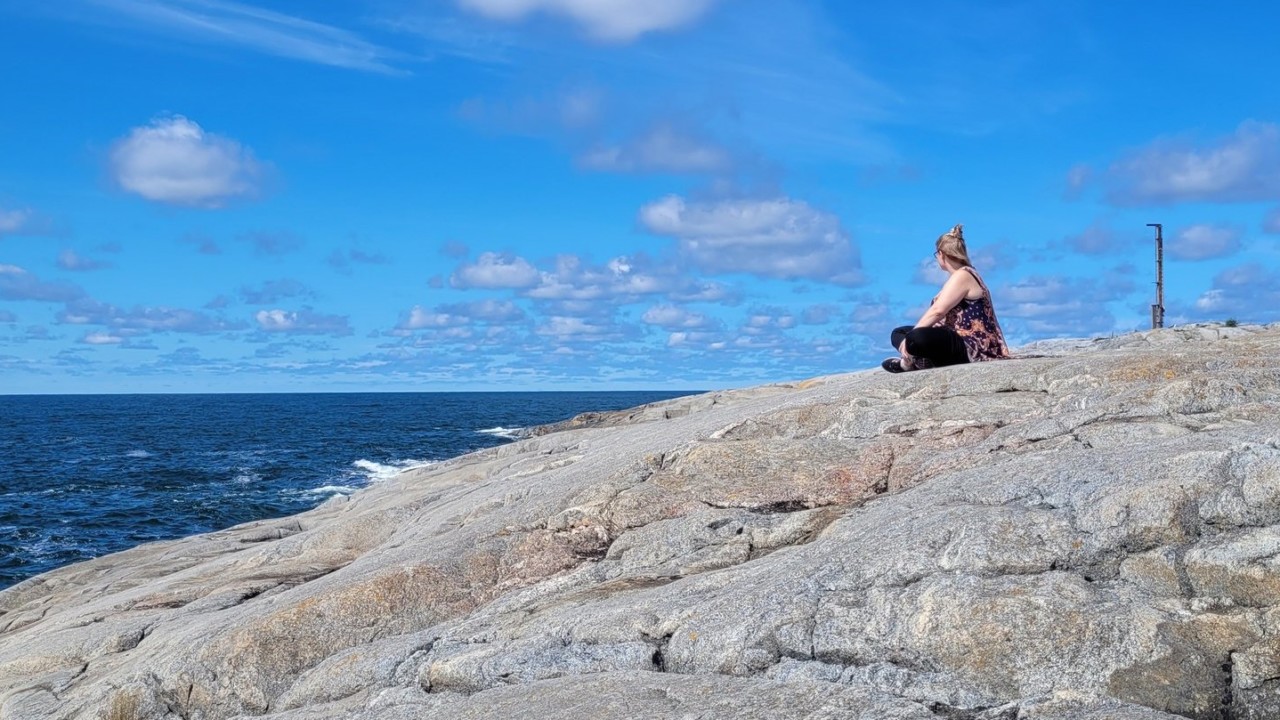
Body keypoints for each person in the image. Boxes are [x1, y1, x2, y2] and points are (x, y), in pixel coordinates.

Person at [883, 224, 1010, 373]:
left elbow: (938, 311)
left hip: (969, 344)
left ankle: (909, 362)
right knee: (898, 333)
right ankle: (915, 359)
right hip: (954, 338)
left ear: (941, 254)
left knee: (915, 337)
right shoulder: (962, 275)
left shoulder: (963, 275)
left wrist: (911, 338)